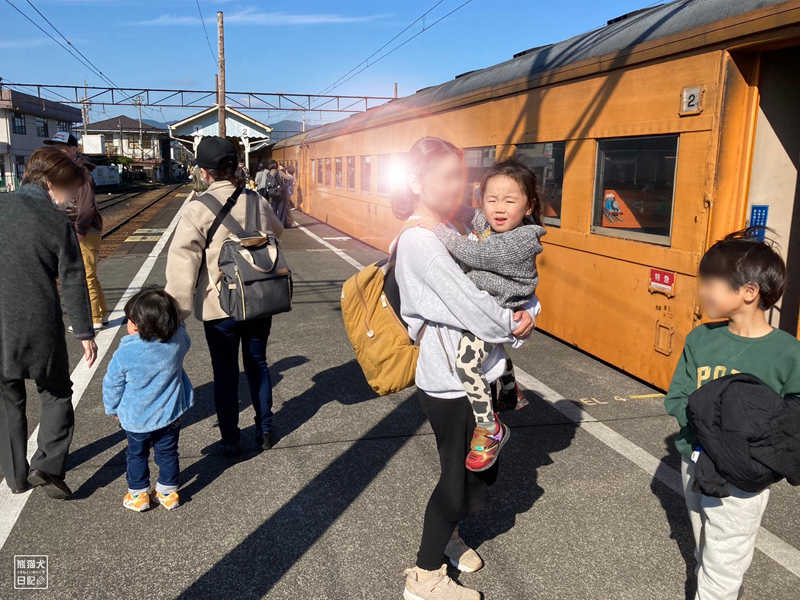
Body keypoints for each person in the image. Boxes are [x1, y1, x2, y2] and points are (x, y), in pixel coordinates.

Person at [394, 137, 538, 600]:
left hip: (485, 373)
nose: (458, 185)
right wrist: (515, 326)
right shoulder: (421, 241)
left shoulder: (461, 225)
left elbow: (513, 284)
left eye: (461, 175)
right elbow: (474, 308)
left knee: (481, 472)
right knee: (457, 481)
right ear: (416, 181)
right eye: (445, 176)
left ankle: (449, 536)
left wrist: (531, 309)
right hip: (450, 382)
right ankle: (425, 576)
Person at [664, 228, 800, 600]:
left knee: (725, 561)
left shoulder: (788, 352)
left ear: (749, 292)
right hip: (694, 461)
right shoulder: (700, 338)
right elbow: (677, 396)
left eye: (711, 283)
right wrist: (705, 427)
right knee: (705, 546)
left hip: (744, 475)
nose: (703, 290)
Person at [420, 159, 545, 472]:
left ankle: (490, 428)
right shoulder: (492, 224)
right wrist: (450, 207)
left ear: (528, 206)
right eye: (491, 200)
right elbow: (472, 216)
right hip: (495, 308)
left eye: (509, 200)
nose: (498, 208)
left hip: (497, 310)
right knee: (492, 348)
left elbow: (476, 254)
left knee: (467, 361)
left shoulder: (520, 240)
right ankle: (510, 389)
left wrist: (434, 227)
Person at [165, 136, 284, 458]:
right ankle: (266, 430)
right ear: (234, 167)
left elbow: (183, 259)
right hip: (260, 296)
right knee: (258, 364)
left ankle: (231, 439)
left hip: (220, 305)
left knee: (226, 375)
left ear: (204, 173)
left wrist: (177, 311)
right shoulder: (256, 200)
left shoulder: (197, 208)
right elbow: (278, 231)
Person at [0, 147, 97, 499]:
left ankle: (15, 477)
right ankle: (48, 464)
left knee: (7, 397)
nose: (72, 196)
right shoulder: (57, 223)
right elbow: (73, 280)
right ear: (49, 183)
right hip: (38, 320)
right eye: (70, 187)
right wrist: (85, 332)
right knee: (55, 391)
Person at [103, 287, 193, 512]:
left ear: (136, 325)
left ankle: (138, 494)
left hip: (136, 419)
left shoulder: (125, 353)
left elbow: (112, 384)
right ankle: (168, 492)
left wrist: (113, 408)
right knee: (168, 452)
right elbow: (182, 328)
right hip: (169, 414)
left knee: (136, 454)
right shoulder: (177, 342)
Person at [45, 131, 108, 331]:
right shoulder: (69, 171)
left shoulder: (80, 172)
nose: (57, 151)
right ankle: (101, 314)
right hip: (79, 229)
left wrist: (79, 232)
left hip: (84, 230)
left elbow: (87, 206)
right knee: (90, 275)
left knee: (84, 275)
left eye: (61, 147)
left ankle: (93, 318)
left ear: (74, 149)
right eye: (54, 147)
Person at [266, 160, 291, 227]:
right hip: (280, 193)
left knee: (274, 208)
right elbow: (289, 178)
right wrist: (286, 174)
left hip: (272, 193)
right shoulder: (279, 172)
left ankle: (274, 223)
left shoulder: (268, 173)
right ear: (276, 165)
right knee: (281, 209)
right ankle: (281, 223)